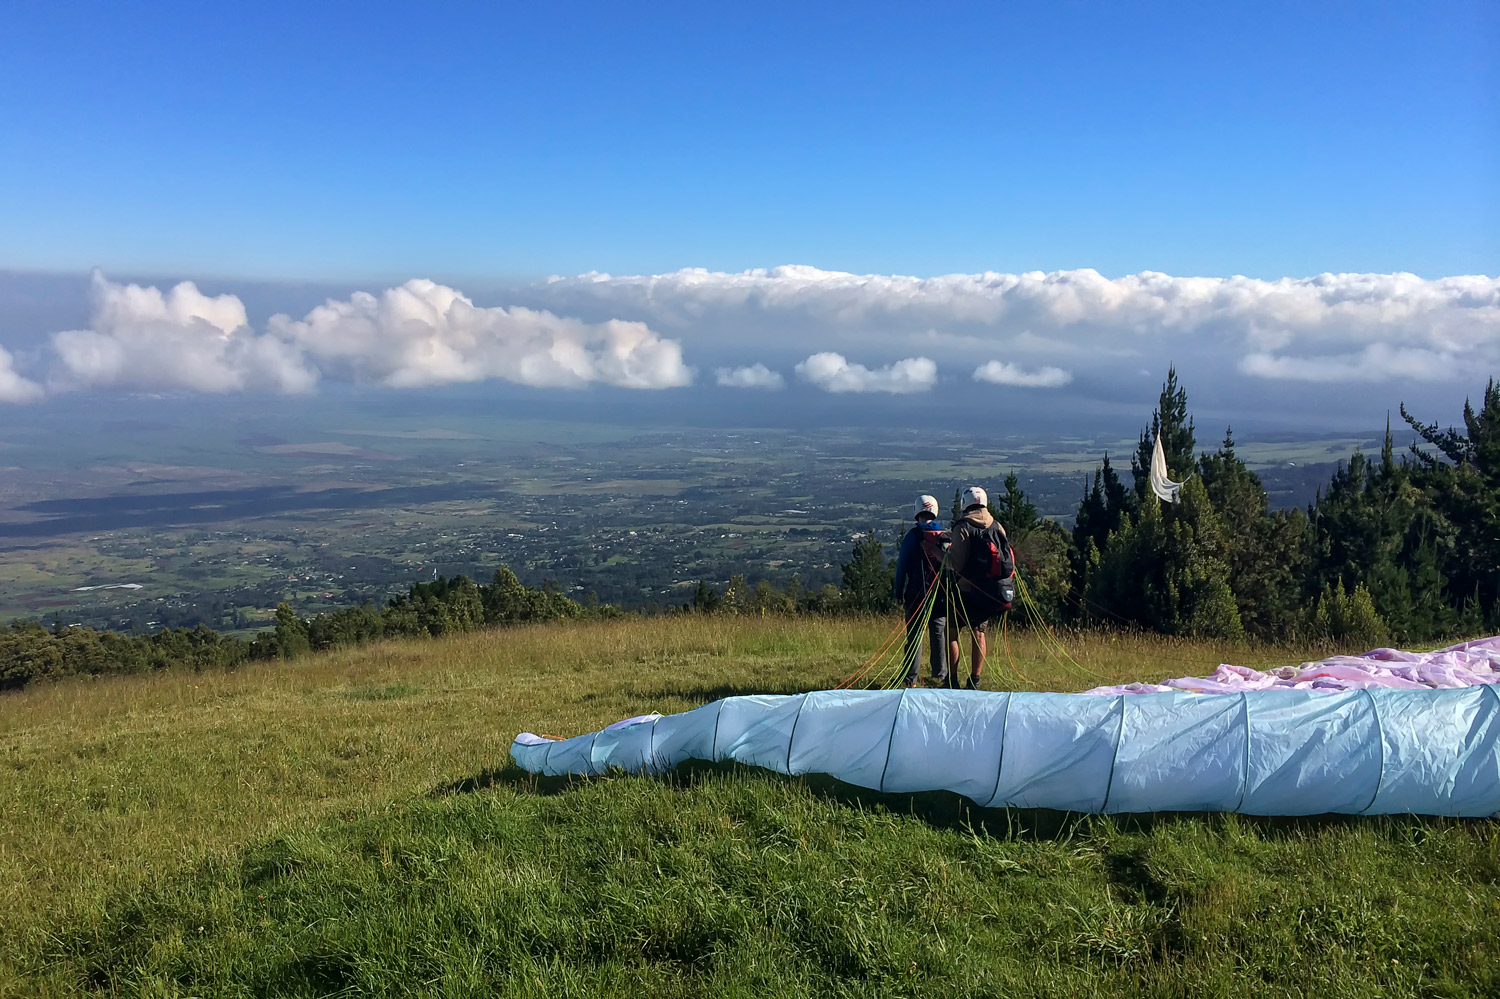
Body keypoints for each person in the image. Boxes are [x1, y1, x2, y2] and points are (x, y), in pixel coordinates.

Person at [945, 485, 1016, 690]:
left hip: (967, 589)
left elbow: (955, 563)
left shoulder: (964, 527)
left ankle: (953, 680)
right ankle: (975, 680)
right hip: (991, 591)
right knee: (979, 633)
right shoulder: (997, 526)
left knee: (952, 632)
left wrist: (936, 552)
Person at [891, 494, 949, 687]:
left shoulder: (912, 537)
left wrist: (898, 592)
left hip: (916, 594)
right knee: (938, 633)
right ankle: (940, 674)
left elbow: (902, 567)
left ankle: (910, 678)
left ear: (917, 512)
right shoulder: (944, 536)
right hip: (940, 595)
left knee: (915, 635)